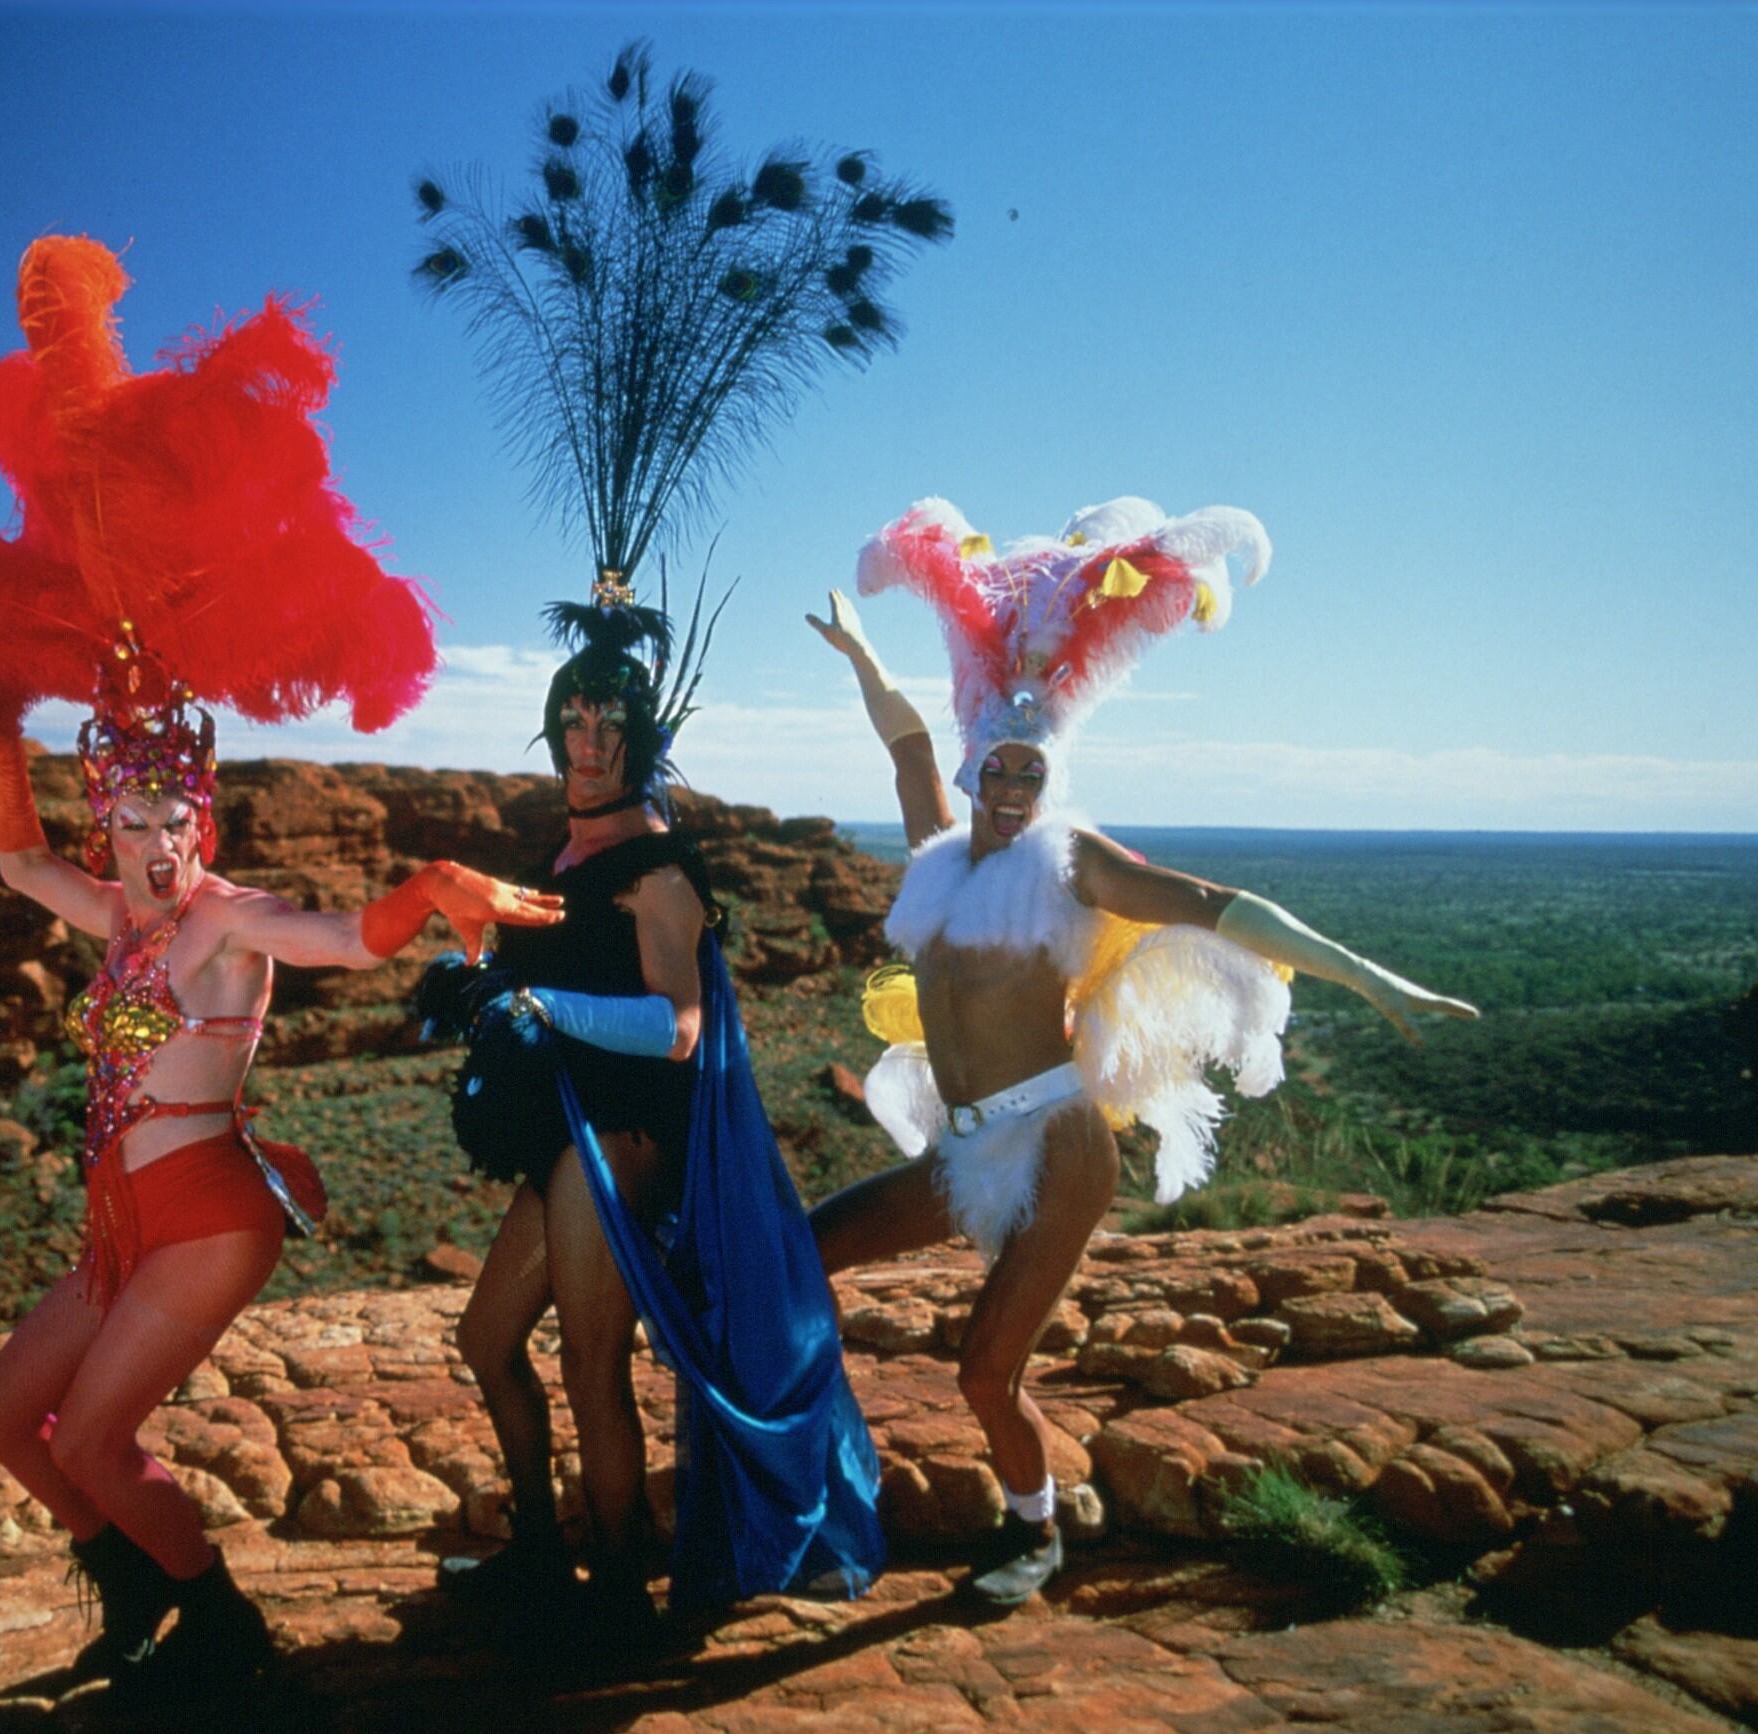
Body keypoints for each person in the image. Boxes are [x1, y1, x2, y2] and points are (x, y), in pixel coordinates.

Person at [0, 233, 558, 1693]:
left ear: (199, 812)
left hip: (207, 1211)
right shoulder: (125, 915)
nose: (141, 840)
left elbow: (338, 937)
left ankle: (219, 1636)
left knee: (89, 1435)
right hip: (118, 1218)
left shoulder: (219, 913)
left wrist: (434, 886)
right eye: (124, 816)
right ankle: (136, 1591)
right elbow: (24, 869)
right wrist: (2, 747)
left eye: (163, 815)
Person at [807, 496, 1479, 1607]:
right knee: (796, 1259)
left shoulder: (1069, 867)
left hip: (1061, 1149)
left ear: (1048, 774)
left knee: (983, 1370)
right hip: (966, 1142)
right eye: (999, 767)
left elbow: (1214, 903)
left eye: (1031, 769)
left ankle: (1032, 1536)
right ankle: (802, 1489)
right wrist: (862, 652)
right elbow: (907, 737)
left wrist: (1362, 972)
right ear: (977, 770)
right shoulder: (935, 856)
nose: (1013, 784)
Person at [419, 584, 885, 1641]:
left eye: (610, 725)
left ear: (642, 737)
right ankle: (543, 1551)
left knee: (591, 1360)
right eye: (572, 721)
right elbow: (554, 965)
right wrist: (474, 973)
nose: (588, 742)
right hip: (562, 1135)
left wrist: (539, 1003)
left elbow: (674, 1027)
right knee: (486, 1339)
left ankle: (622, 1588)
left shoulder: (659, 869)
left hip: (620, 1143)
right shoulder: (572, 854)